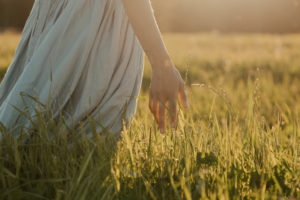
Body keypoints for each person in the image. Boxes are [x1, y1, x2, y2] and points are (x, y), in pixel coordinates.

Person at [0, 0, 188, 138]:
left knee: (37, 132)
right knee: (67, 137)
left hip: (75, 16)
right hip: (88, 21)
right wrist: (161, 64)